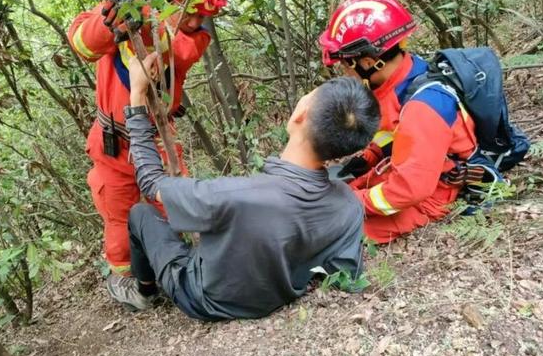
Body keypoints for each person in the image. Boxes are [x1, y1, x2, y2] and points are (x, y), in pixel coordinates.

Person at [113, 54, 380, 320]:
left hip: (204, 300)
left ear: (302, 113)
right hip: (277, 296)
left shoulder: (235, 195)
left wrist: (137, 95)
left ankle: (143, 293)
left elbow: (150, 181)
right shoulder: (348, 204)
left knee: (141, 214)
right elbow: (345, 271)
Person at [67, 0, 229, 293]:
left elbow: (174, 49)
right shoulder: (129, 7)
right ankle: (129, 284)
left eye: (203, 14)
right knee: (120, 220)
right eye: (192, 11)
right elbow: (82, 42)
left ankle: (173, 269)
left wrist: (134, 14)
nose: (198, 21)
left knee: (173, 207)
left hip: (156, 138)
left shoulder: (187, 35)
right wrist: (111, 18)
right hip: (114, 146)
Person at [318, 0, 478, 243]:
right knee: (332, 195)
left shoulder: (423, 107)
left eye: (345, 65)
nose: (344, 72)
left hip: (431, 192)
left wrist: (348, 203)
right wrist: (368, 158)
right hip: (403, 167)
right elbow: (392, 133)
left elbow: (407, 190)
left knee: (327, 234)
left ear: (368, 62)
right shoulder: (398, 80)